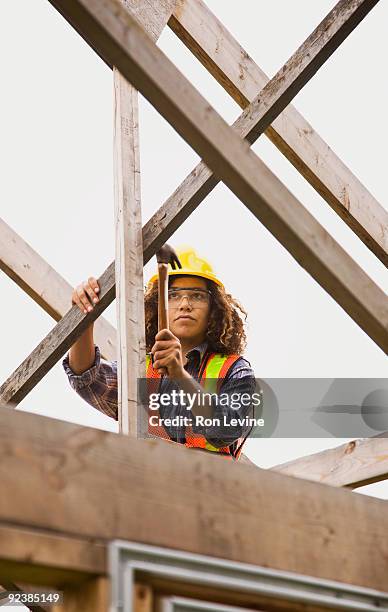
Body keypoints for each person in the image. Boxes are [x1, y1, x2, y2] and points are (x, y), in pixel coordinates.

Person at [63, 247, 259, 460]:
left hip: (209, 488)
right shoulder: (141, 369)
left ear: (214, 309)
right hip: (148, 487)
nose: (185, 304)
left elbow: (226, 430)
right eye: (174, 295)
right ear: (159, 305)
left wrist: (179, 375)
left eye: (197, 296)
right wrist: (84, 315)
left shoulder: (235, 370)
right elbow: (88, 380)